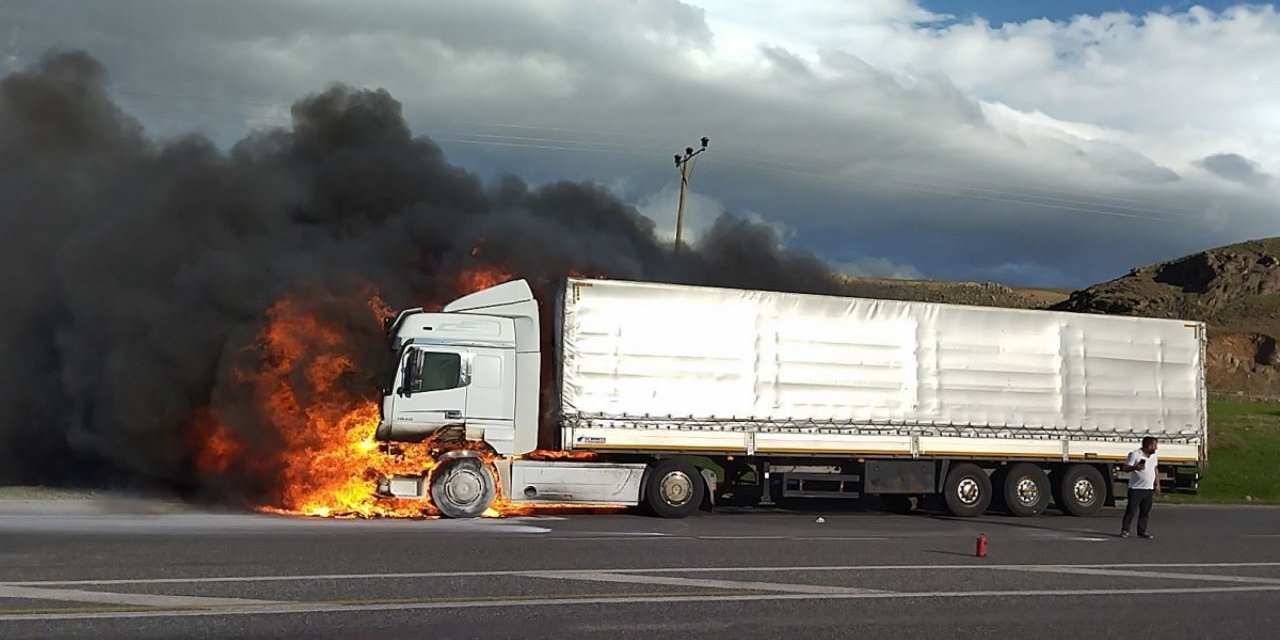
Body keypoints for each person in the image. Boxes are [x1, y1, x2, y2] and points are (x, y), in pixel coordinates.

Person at [1120, 436, 1159, 539]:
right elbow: (1125, 468)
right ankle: (1125, 530)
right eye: (1154, 446)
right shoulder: (1135, 455)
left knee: (1145, 511)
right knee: (1131, 510)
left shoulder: (1154, 457)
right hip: (1136, 488)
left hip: (1148, 488)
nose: (1156, 448)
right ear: (1149, 445)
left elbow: (1155, 469)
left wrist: (1157, 484)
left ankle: (1142, 531)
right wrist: (1135, 467)